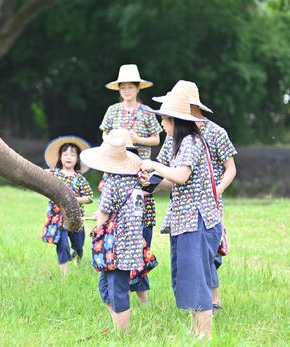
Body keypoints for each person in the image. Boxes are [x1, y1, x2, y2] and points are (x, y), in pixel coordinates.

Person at [140, 90, 222, 339]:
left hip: (197, 221)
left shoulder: (191, 142)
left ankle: (204, 336)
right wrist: (148, 183)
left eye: (164, 118)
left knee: (196, 279)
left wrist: (153, 165)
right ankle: (197, 331)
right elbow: (172, 182)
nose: (161, 123)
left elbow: (181, 175)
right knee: (188, 277)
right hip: (185, 221)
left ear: (176, 120)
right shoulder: (176, 141)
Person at [154, 80, 237, 313]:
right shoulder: (174, 133)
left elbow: (231, 169)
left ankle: (213, 302)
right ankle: (200, 306)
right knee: (190, 256)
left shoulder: (216, 132)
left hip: (207, 201)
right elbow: (163, 166)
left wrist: (215, 191)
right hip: (183, 202)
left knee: (207, 254)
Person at [100, 64, 163, 304]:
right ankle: (115, 291)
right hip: (115, 169)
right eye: (123, 87)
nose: (127, 91)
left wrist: (136, 138)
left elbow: (157, 138)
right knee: (115, 230)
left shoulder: (147, 112)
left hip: (140, 173)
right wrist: (116, 140)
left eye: (130, 87)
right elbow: (104, 135)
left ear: (137, 88)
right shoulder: (112, 110)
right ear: (119, 90)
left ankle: (142, 297)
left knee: (142, 231)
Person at [79, 131, 145, 332]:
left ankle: (122, 334)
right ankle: (117, 327)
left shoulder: (112, 182)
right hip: (131, 242)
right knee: (107, 287)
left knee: (117, 290)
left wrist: (98, 220)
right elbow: (134, 211)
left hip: (115, 245)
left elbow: (104, 213)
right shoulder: (135, 181)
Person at [42, 136, 93, 275]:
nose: (68, 157)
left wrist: (73, 199)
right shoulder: (54, 174)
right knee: (63, 244)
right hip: (59, 218)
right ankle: (64, 274)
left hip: (76, 218)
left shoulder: (80, 179)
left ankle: (77, 257)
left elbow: (89, 197)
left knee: (78, 245)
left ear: (77, 158)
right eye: (65, 154)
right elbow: (40, 178)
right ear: (60, 157)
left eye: (72, 154)